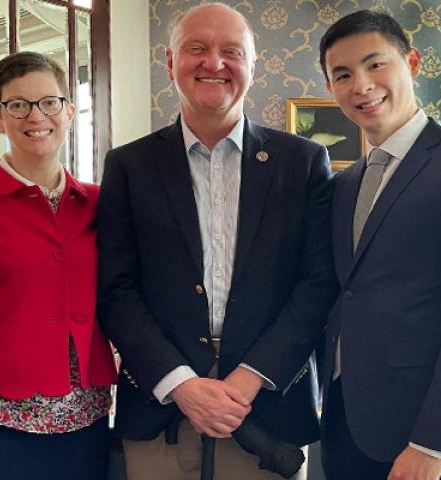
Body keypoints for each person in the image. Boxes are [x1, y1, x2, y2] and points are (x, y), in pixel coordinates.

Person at [97, 3, 336, 480]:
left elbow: (317, 285)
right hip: (161, 411)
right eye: (196, 49)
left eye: (231, 51)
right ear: (169, 62)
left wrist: (247, 381)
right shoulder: (129, 166)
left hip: (268, 418)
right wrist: (182, 384)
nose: (214, 63)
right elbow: (115, 288)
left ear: (253, 65)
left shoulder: (303, 162)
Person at [319, 9, 441, 480]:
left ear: (412, 63)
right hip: (345, 424)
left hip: (427, 438)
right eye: (343, 74)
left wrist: (432, 443)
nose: (361, 85)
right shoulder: (345, 183)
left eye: (375, 65)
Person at [0, 51, 118, 480]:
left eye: (49, 102)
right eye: (17, 105)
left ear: (69, 111)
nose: (35, 115)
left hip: (88, 415)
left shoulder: (100, 202)